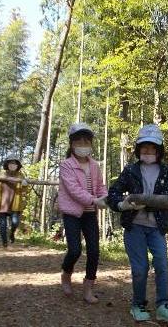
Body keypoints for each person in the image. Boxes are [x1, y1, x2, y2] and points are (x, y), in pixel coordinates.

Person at [107, 124, 168, 322]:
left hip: (157, 227)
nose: (148, 151)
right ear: (138, 149)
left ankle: (164, 305)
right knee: (140, 268)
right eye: (144, 147)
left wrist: (144, 203)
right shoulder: (130, 170)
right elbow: (113, 193)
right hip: (134, 227)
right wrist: (123, 205)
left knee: (162, 264)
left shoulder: (167, 171)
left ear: (159, 150)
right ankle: (138, 304)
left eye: (152, 147)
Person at [57, 123, 108, 303]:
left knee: (94, 251)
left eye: (86, 141)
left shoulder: (94, 165)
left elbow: (100, 187)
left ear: (91, 144)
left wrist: (106, 198)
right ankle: (66, 273)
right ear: (72, 144)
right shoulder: (66, 165)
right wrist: (95, 200)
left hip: (89, 214)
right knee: (75, 250)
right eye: (79, 141)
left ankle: (88, 289)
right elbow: (73, 190)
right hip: (72, 213)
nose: (83, 144)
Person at [0, 156, 30, 247]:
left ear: (18, 165)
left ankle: (11, 234)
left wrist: (25, 185)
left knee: (15, 222)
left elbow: (24, 190)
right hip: (2, 205)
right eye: (10, 163)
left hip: (15, 204)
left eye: (14, 164)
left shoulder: (20, 175)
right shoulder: (1, 174)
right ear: (7, 164)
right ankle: (4, 242)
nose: (12, 165)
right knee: (2, 225)